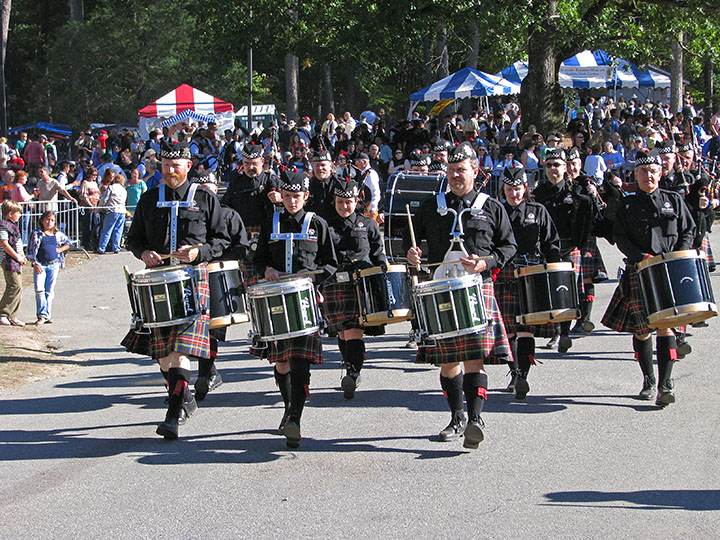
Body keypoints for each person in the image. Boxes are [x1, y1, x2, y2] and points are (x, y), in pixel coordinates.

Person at [405, 142, 517, 449]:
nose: (456, 175)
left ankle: (475, 420)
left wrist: (487, 261)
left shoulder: (491, 206)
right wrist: (412, 255)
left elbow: (509, 246)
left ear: (475, 170)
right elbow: (409, 240)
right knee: (448, 360)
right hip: (440, 289)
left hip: (477, 288)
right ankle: (455, 418)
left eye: (462, 170)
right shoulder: (431, 206)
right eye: (452, 170)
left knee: (472, 359)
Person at [121, 140, 230, 439]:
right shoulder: (149, 199)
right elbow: (134, 239)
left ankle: (172, 417)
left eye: (176, 166)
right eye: (166, 166)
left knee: (179, 351)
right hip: (157, 283)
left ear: (188, 166)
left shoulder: (206, 199)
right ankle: (185, 399)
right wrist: (143, 253)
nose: (171, 170)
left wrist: (199, 252)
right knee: (163, 356)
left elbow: (222, 240)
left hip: (194, 280)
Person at [601, 151, 695, 407]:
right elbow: (620, 236)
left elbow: (688, 230)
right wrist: (639, 255)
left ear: (660, 173)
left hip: (670, 270)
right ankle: (648, 380)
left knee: (666, 326)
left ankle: (665, 383)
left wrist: (678, 256)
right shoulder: (628, 205)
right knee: (643, 331)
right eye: (643, 171)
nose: (648, 175)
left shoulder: (673, 200)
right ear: (636, 175)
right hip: (640, 270)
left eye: (652, 171)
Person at [252, 169, 338, 448]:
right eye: (287, 197)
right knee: (281, 362)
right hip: (276, 300)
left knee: (300, 362)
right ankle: (288, 406)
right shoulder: (271, 222)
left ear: (306, 196)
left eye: (297, 197)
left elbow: (331, 263)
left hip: (305, 301)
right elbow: (258, 258)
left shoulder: (318, 224)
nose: (291, 202)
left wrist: (314, 275)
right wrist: (266, 270)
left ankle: (295, 418)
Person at [494, 167, 560, 399]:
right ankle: (515, 372)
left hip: (532, 273)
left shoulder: (538, 211)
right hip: (504, 275)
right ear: (504, 188)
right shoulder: (496, 210)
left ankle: (522, 376)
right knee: (507, 331)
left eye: (518, 189)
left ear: (526, 188)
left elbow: (551, 243)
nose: (514, 194)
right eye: (510, 189)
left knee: (526, 330)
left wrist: (554, 270)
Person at [322, 180, 386, 399]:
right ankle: (352, 367)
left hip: (361, 283)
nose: (344, 206)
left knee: (353, 330)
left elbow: (378, 255)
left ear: (356, 201)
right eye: (340, 202)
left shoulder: (368, 224)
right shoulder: (325, 225)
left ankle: (352, 372)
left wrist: (383, 278)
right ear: (335, 202)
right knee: (342, 331)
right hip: (334, 282)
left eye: (348, 202)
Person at [193, 170, 249, 400]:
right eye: (201, 188)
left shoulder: (228, 214)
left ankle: (206, 374)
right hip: (191, 274)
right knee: (193, 329)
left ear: (217, 189)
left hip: (218, 275)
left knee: (210, 328)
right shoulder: (189, 214)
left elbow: (241, 246)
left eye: (209, 187)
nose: (205, 191)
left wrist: (224, 262)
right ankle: (206, 373)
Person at [532, 148, 594, 352]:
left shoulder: (574, 189)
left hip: (570, 247)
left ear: (565, 167)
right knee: (551, 291)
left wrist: (587, 196)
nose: (552, 169)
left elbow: (590, 216)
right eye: (549, 165)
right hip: (547, 249)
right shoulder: (538, 192)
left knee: (568, 291)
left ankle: (565, 332)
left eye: (557, 165)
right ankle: (556, 331)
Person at [220, 142, 281, 283]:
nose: (250, 167)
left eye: (254, 163)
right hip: (243, 238)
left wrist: (280, 199)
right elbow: (224, 208)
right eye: (246, 163)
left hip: (267, 239)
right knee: (246, 282)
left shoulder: (272, 181)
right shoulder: (236, 184)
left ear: (262, 161)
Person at [27, 211, 73, 324]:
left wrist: (60, 249)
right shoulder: (36, 234)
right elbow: (30, 252)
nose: (49, 222)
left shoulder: (57, 234)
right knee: (39, 289)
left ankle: (47, 314)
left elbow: (69, 242)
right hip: (41, 264)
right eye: (47, 220)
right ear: (42, 221)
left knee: (49, 290)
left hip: (54, 264)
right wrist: (35, 263)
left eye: (52, 220)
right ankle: (41, 314)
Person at [0, 200, 27, 326]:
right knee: (14, 286)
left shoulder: (14, 226)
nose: (20, 215)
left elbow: (18, 243)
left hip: (17, 259)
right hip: (9, 260)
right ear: (10, 213)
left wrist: (22, 256)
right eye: (18, 213)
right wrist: (17, 256)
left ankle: (13, 315)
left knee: (19, 288)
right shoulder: (3, 226)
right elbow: (4, 244)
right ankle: (3, 313)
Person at [306, 148, 342, 220]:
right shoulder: (307, 185)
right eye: (317, 165)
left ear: (331, 166)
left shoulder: (340, 184)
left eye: (323, 165)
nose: (320, 168)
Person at [96, 173, 127, 254]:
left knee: (107, 230)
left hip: (112, 210)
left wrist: (100, 207)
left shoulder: (111, 187)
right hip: (122, 211)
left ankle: (102, 248)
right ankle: (116, 247)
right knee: (118, 230)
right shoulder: (124, 190)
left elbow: (105, 199)